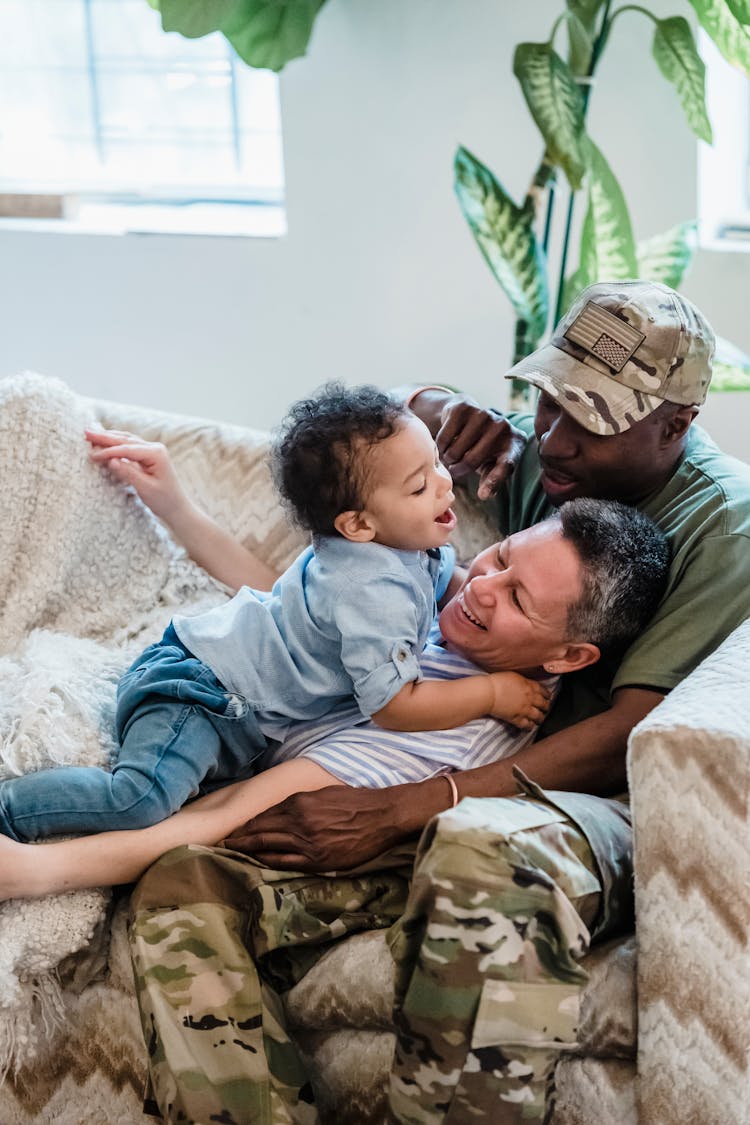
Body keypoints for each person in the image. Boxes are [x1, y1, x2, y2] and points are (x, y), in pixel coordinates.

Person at [118, 279, 750, 1125]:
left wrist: (400, 809)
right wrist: (444, 402)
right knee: (186, 879)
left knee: (486, 852)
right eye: (545, 401)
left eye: (586, 421)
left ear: (673, 424)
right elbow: (382, 460)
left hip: (573, 801)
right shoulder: (543, 457)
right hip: (420, 758)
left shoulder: (724, 528)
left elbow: (624, 736)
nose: (549, 439)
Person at [0, 497, 669, 904]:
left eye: (518, 598)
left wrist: (37, 870)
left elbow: (222, 813)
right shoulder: (452, 594)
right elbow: (300, 618)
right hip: (204, 659)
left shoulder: (449, 733)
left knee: (137, 793)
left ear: (567, 658)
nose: (482, 587)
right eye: (500, 558)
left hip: (209, 701)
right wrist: (177, 507)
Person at [0, 381, 551, 845]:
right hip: (201, 694)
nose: (444, 484)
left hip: (235, 704)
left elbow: (450, 585)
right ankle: (8, 809)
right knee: (141, 800)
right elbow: (393, 705)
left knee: (206, 802)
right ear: (357, 525)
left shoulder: (409, 545)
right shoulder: (367, 587)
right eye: (419, 485)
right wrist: (493, 693)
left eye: (435, 464)